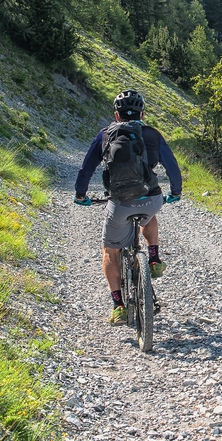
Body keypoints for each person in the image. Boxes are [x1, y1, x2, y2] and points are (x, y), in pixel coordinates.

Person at [74, 89, 183, 325]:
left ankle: (119, 306)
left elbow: (86, 169)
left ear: (116, 115)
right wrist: (175, 192)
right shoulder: (153, 134)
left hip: (119, 203)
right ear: (142, 115)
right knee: (149, 213)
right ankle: (153, 257)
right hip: (150, 199)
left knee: (109, 250)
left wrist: (81, 195)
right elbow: (172, 166)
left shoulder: (105, 135)